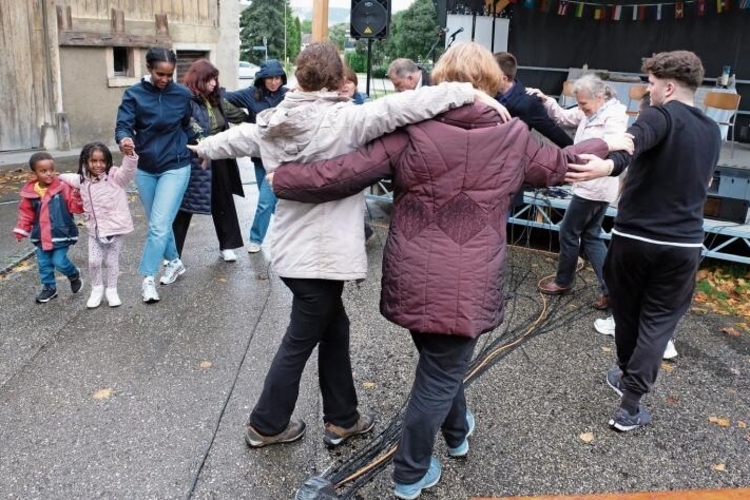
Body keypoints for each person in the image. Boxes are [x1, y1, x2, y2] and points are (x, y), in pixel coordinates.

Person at [267, 42, 631, 499]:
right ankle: (410, 473)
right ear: (491, 84)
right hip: (471, 276)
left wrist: (284, 180)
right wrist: (613, 146)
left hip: (412, 274)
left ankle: (457, 434)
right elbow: (563, 165)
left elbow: (342, 174)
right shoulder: (513, 135)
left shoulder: (410, 131)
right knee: (440, 373)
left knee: (440, 361)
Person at [188, 42, 510, 452]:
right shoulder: (349, 119)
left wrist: (204, 149)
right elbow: (406, 105)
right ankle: (267, 423)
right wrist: (470, 92)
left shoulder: (275, 119)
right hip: (321, 258)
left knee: (334, 330)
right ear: (338, 79)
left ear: (299, 77)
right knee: (300, 339)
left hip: (292, 253)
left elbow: (242, 137)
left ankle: (343, 418)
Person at [565, 50, 721, 432]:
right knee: (658, 323)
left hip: (635, 238)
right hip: (683, 245)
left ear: (668, 86)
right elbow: (706, 180)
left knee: (628, 313)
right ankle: (630, 406)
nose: (647, 91)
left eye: (650, 84)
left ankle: (623, 374)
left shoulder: (659, 114)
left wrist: (606, 165)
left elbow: (633, 141)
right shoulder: (712, 130)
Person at [528, 74, 627, 310]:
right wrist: (546, 101)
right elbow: (564, 116)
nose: (581, 108)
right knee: (591, 235)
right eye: (579, 103)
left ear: (600, 97)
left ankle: (564, 281)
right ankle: (610, 289)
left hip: (595, 185)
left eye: (584, 103)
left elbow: (615, 143)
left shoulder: (614, 117)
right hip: (592, 186)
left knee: (568, 232)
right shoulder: (591, 110)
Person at [591, 89, 678, 360]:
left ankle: (630, 335)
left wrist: (606, 167)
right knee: (659, 293)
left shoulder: (651, 133)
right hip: (671, 230)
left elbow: (626, 154)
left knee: (630, 283)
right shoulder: (694, 135)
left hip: (641, 227)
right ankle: (663, 340)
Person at [115, 46, 194, 304]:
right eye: (160, 73)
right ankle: (174, 261)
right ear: (149, 69)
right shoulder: (134, 95)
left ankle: (147, 278)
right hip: (146, 167)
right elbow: (124, 124)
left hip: (176, 164)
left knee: (159, 225)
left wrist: (200, 147)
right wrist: (124, 139)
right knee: (158, 224)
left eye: (169, 75)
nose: (165, 79)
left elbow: (188, 126)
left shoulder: (182, 95)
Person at [173, 59, 246, 263]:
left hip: (219, 156)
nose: (214, 83)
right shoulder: (185, 99)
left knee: (223, 201)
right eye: (210, 79)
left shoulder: (216, 99)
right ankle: (173, 253)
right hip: (193, 157)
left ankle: (227, 246)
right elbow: (190, 125)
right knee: (184, 207)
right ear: (199, 79)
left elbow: (236, 115)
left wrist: (259, 118)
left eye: (215, 79)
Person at [58, 143, 137, 308]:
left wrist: (130, 156)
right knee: (94, 261)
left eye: (103, 161)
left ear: (108, 161)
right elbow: (68, 177)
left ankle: (112, 290)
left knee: (111, 261)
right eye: (93, 161)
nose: (98, 165)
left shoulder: (115, 177)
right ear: (85, 162)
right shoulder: (82, 180)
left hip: (115, 228)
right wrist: (56, 176)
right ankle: (96, 289)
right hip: (94, 230)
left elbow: (128, 170)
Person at [225, 59, 288, 254]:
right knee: (273, 201)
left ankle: (255, 238)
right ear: (262, 79)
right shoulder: (251, 94)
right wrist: (242, 119)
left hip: (281, 158)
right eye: (270, 78)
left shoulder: (288, 95)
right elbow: (223, 97)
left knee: (265, 201)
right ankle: (290, 234)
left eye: (277, 78)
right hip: (260, 157)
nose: (274, 82)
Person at [13, 152, 84, 303]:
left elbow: (73, 206)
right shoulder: (30, 193)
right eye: (43, 171)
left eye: (51, 170)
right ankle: (49, 288)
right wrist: (21, 229)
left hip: (61, 233)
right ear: (35, 173)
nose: (49, 174)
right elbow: (26, 213)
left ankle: (73, 274)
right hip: (41, 236)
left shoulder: (62, 187)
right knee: (44, 264)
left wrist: (77, 197)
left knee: (59, 261)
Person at [493, 52, 574, 148]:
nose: (486, 76)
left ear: (504, 78)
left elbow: (554, 132)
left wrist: (577, 152)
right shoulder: (488, 94)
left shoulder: (528, 102)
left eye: (490, 73)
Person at [339, 64, 375, 242]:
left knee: (352, 201)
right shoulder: (332, 104)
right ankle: (361, 233)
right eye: (341, 82)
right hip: (338, 160)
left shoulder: (365, 104)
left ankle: (361, 234)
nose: (345, 86)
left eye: (349, 82)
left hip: (359, 161)